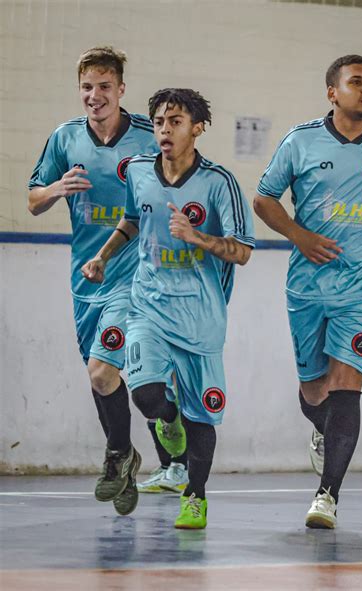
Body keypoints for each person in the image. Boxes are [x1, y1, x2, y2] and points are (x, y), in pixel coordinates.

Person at [81, 88, 255, 528]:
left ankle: (195, 496)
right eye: (159, 121)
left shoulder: (219, 183)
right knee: (146, 396)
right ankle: (167, 418)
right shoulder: (138, 171)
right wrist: (103, 254)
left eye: (175, 121)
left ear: (197, 128)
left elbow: (242, 251)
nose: (164, 129)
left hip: (199, 314)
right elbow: (133, 218)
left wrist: (198, 238)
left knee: (204, 412)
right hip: (147, 305)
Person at [254, 55, 362, 529]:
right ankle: (323, 429)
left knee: (347, 386)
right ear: (332, 93)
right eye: (356, 82)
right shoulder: (299, 141)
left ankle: (327, 496)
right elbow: (264, 199)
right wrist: (300, 236)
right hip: (308, 285)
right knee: (313, 393)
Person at [27, 46, 187, 515]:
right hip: (87, 277)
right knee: (103, 379)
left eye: (103, 87)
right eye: (86, 88)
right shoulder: (65, 139)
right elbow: (34, 201)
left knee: (103, 370)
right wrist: (56, 189)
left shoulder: (146, 136)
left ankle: (121, 455)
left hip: (137, 276)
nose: (94, 96)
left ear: (121, 90)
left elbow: (183, 178)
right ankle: (145, 444)